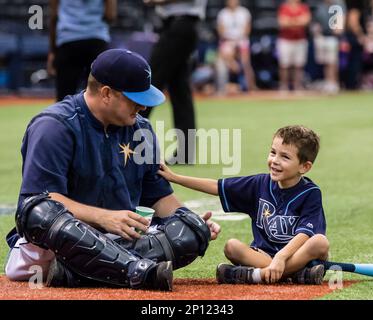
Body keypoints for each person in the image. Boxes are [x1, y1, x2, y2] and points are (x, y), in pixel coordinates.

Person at [4, 49, 220, 290]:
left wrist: (191, 221)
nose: (142, 107)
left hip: (120, 242)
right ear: (106, 93)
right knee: (40, 211)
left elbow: (159, 197)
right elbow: (40, 202)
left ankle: (79, 274)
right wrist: (104, 218)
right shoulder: (54, 127)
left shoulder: (142, 131)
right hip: (56, 246)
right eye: (135, 99)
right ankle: (130, 270)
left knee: (189, 235)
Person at [158, 125, 329, 285]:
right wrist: (175, 178)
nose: (275, 160)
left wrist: (281, 257)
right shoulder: (260, 184)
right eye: (273, 152)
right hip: (262, 256)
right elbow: (216, 186)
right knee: (232, 246)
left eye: (284, 157)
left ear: (304, 167)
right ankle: (296, 274)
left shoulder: (311, 193)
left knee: (320, 242)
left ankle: (258, 275)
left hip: (293, 254)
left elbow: (305, 234)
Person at [140, 0, 208, 165]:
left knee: (150, 82)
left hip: (181, 25)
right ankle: (185, 152)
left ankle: (126, 137)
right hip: (177, 26)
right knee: (179, 89)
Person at [47, 0, 117, 101]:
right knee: (97, 97)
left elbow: (54, 16)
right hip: (96, 39)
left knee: (64, 98)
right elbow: (110, 15)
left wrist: (52, 51)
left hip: (68, 40)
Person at [215, 0, 258, 94]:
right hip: (227, 41)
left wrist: (237, 41)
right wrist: (231, 41)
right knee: (221, 58)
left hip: (241, 40)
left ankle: (251, 86)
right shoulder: (222, 13)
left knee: (245, 62)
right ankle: (222, 87)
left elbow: (247, 29)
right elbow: (221, 31)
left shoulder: (244, 12)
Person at [312, 0, 346, 94]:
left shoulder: (338, 5)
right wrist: (316, 33)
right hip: (322, 37)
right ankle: (328, 82)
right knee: (326, 61)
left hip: (333, 37)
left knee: (332, 62)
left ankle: (334, 83)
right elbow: (316, 23)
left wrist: (338, 31)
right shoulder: (320, 6)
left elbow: (341, 21)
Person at [277, 0, 311, 92]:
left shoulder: (303, 7)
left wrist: (290, 21)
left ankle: (297, 86)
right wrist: (298, 21)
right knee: (284, 64)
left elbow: (306, 21)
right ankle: (284, 86)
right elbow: (282, 22)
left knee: (299, 65)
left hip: (300, 40)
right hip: (285, 40)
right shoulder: (284, 7)